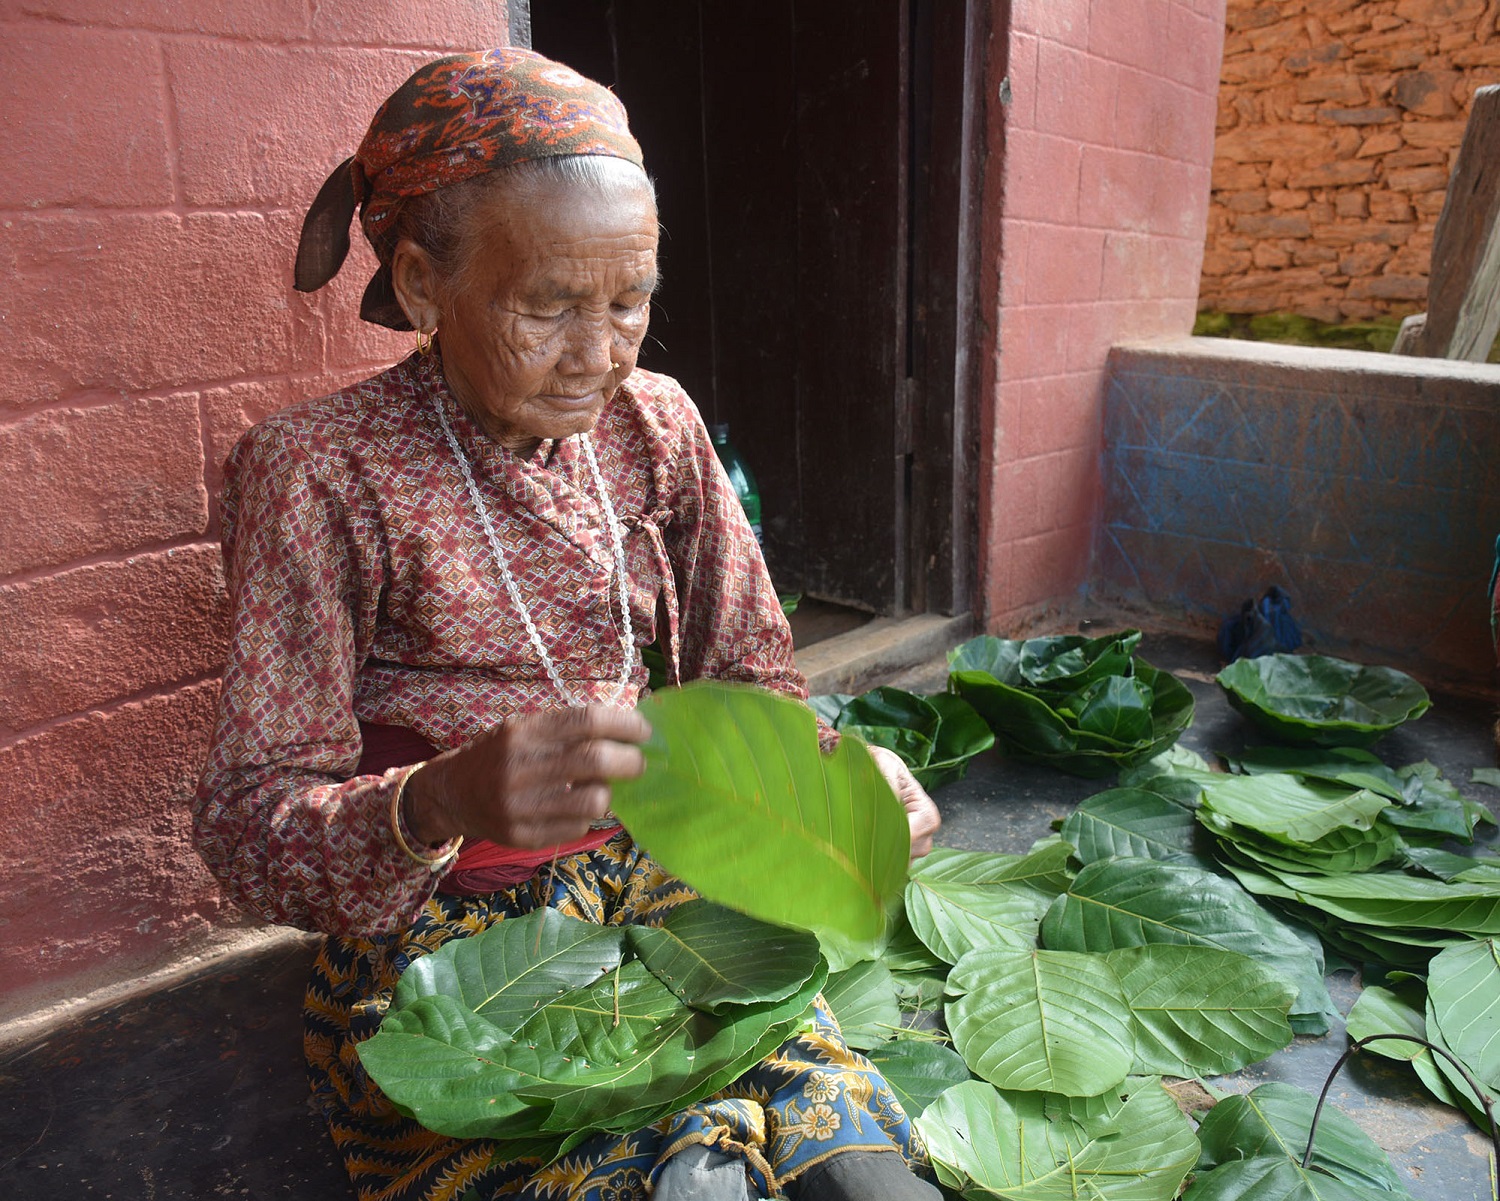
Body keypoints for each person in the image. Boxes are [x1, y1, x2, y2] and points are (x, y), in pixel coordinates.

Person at [193, 47, 943, 1201]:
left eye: (629, 301)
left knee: (865, 1176)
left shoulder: (657, 425)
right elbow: (248, 826)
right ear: (425, 284)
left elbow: (755, 685)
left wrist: (839, 783)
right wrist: (438, 797)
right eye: (547, 306)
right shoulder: (321, 473)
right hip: (450, 959)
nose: (599, 355)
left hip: (675, 886)